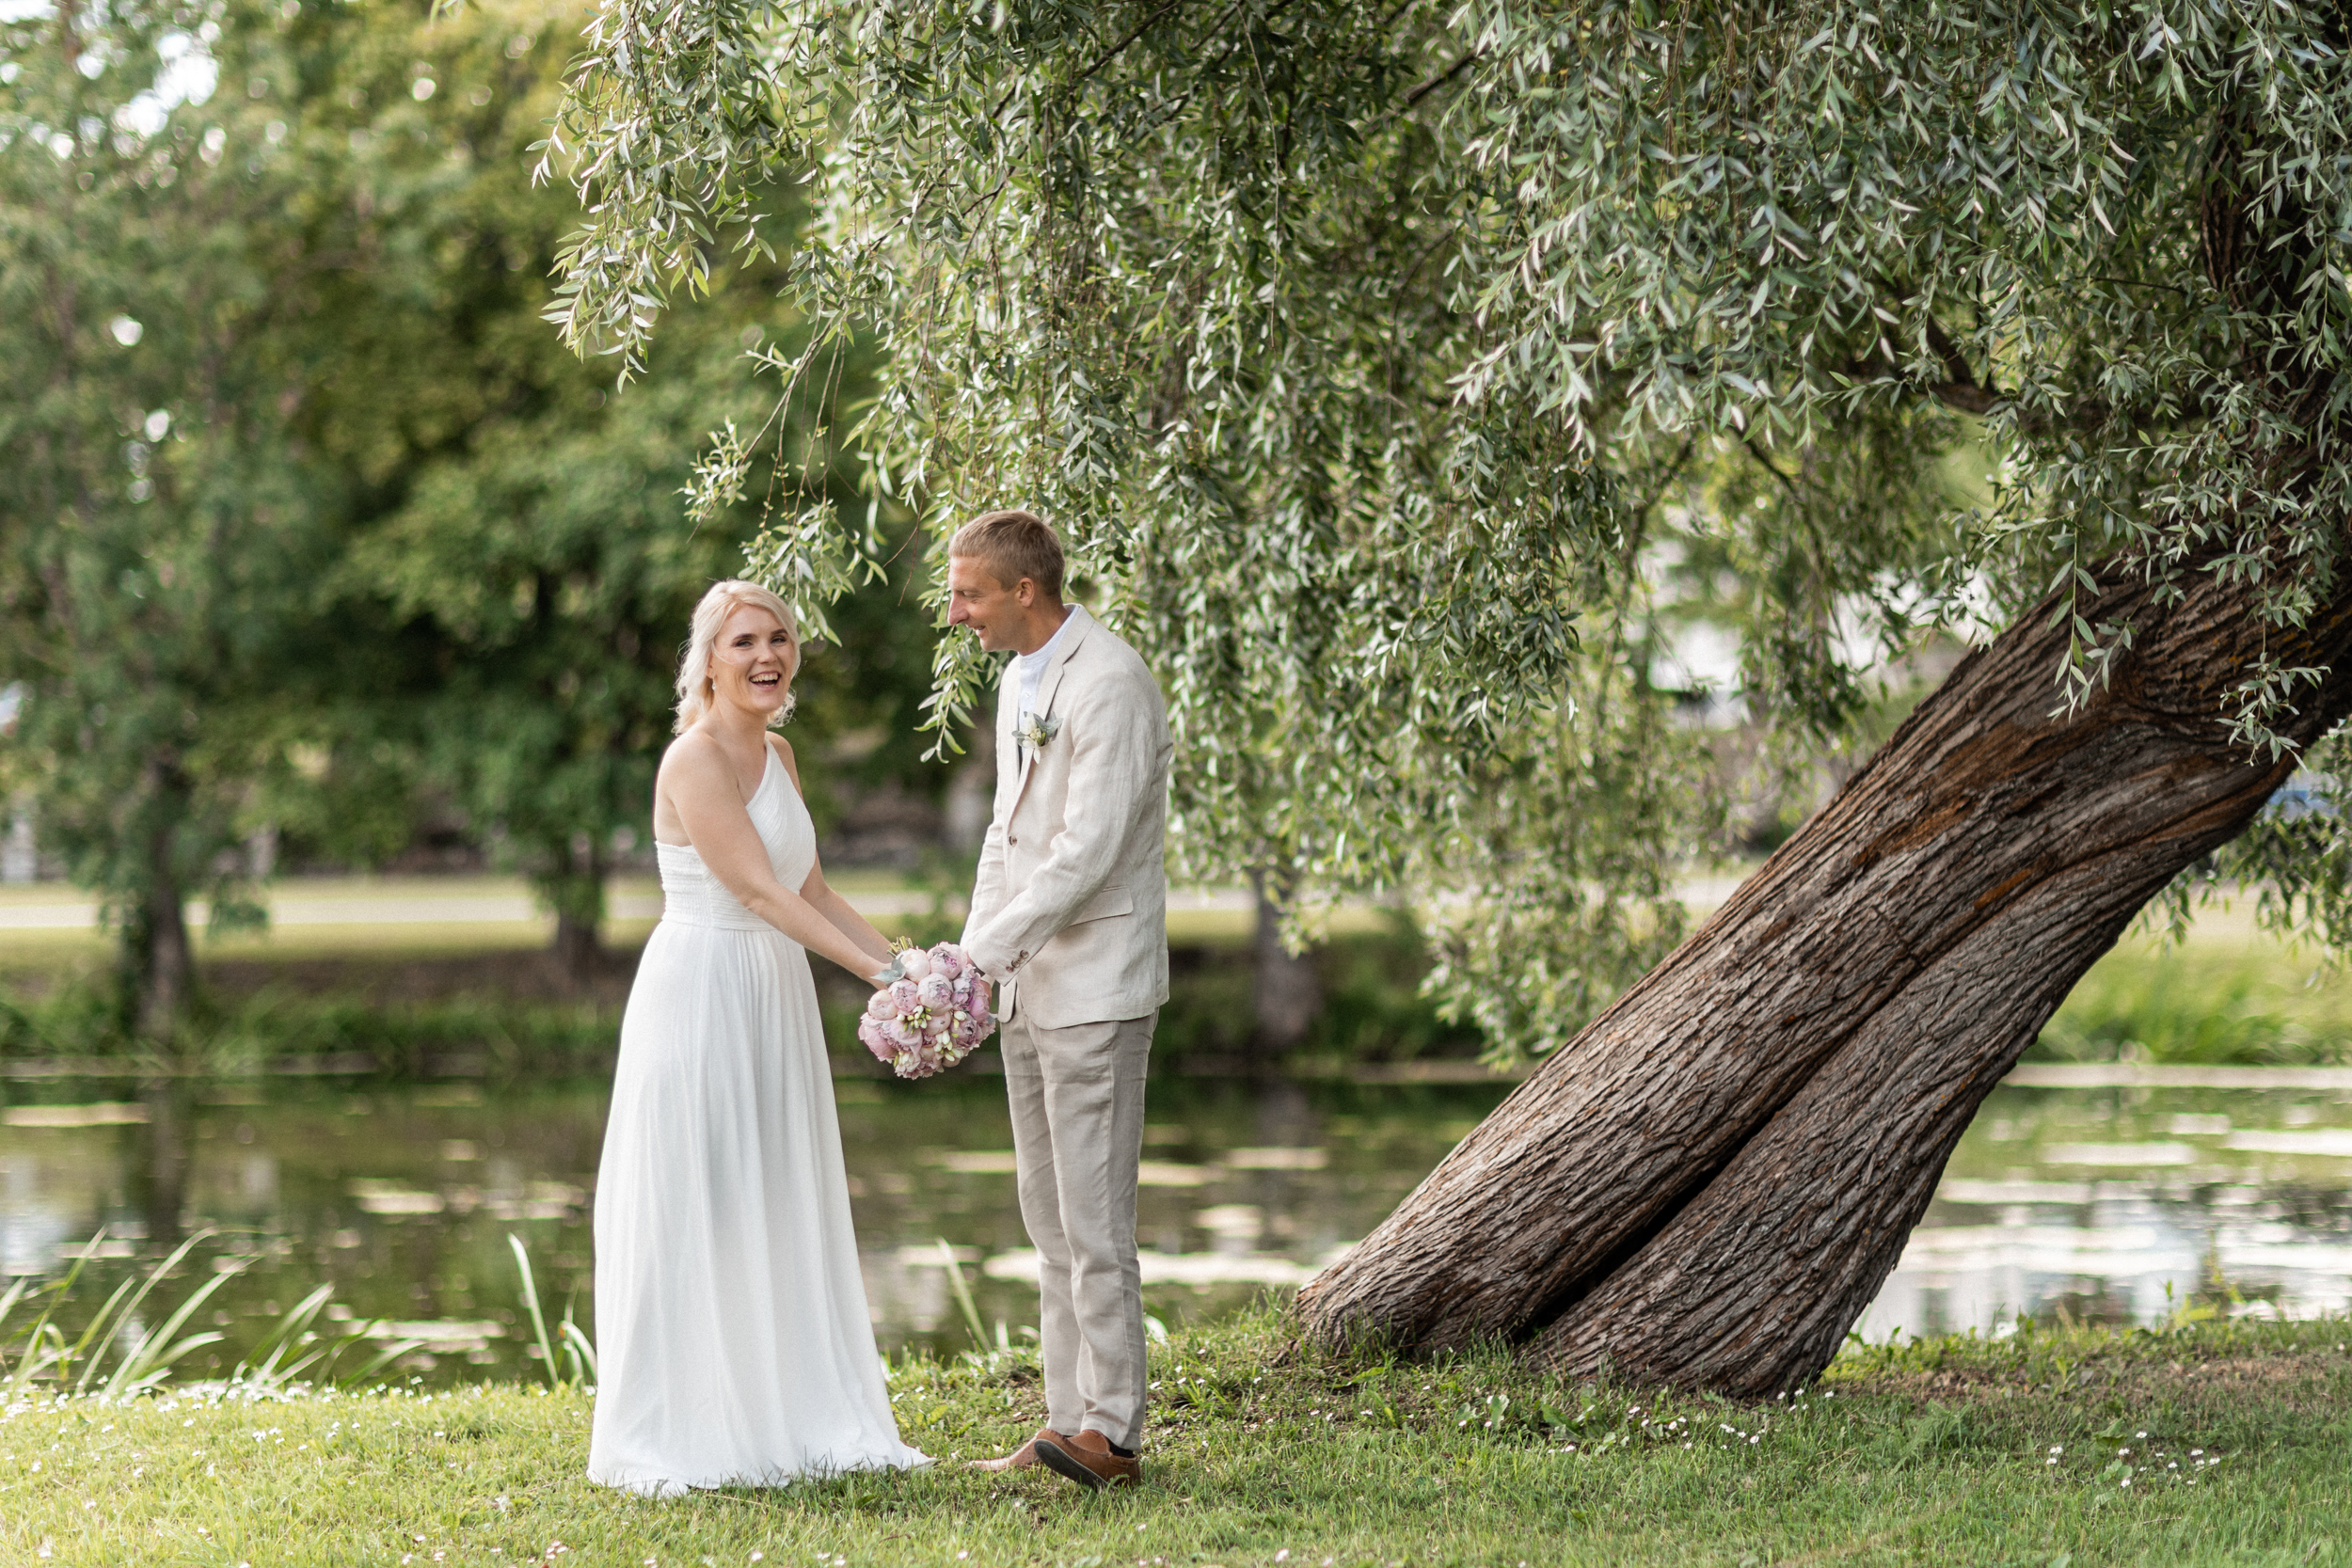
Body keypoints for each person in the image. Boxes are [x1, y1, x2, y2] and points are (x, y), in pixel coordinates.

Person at [587, 579, 926, 1496]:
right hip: (702, 988)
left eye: (777, 637)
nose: (765, 654)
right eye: (743, 641)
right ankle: (687, 1418)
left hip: (773, 990)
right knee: (699, 1191)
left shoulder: (779, 752)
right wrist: (873, 978)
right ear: (707, 659)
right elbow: (757, 894)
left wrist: (911, 970)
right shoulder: (691, 760)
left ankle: (787, 1401)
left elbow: (810, 891)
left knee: (775, 1190)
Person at [950, 511, 1173, 1490]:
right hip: (1024, 984)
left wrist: (988, 949)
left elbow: (1085, 852)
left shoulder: (1112, 680)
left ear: (1022, 592)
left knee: (1094, 1220)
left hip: (1096, 984)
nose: (958, 611)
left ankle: (1113, 1434)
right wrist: (970, 960)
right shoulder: (1015, 680)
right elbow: (1007, 838)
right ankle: (1060, 1422)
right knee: (1046, 1216)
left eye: (969, 594)